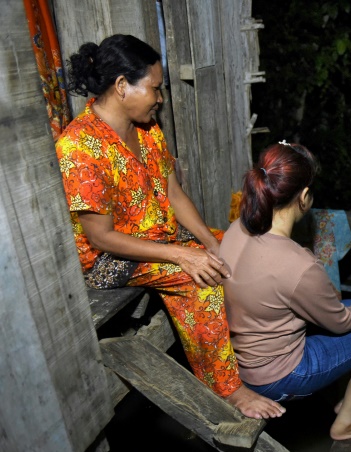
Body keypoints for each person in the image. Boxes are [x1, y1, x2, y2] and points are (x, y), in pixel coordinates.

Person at [56, 34, 284, 420]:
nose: (160, 98)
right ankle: (227, 390)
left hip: (157, 238)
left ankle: (257, 348)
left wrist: (210, 241)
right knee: (199, 276)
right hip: (108, 260)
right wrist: (184, 254)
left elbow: (174, 194)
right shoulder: (79, 146)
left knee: (238, 246)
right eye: (156, 88)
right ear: (122, 86)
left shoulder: (147, 130)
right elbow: (100, 237)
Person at [219, 142, 351, 440]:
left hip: (246, 358)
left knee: (350, 305)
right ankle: (345, 424)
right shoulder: (298, 263)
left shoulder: (238, 228)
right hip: (281, 377)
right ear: (303, 197)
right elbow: (340, 322)